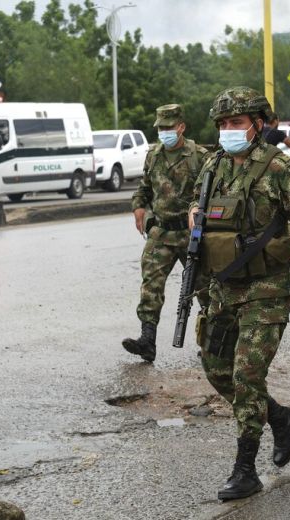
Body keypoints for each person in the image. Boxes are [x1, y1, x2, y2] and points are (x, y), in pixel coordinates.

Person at [189, 86, 290, 501]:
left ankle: (245, 470)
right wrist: (194, 213)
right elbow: (198, 203)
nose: (228, 130)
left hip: (267, 289)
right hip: (222, 287)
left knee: (246, 375)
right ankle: (280, 418)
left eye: (237, 122)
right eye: (223, 123)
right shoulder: (212, 165)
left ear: (257, 124)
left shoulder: (279, 168)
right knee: (217, 369)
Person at [121, 104, 210, 362]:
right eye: (160, 127)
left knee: (204, 288)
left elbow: (212, 192)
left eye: (169, 127)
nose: (164, 132)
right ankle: (147, 340)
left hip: (191, 234)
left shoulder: (199, 156)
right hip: (161, 233)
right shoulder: (153, 155)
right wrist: (138, 206)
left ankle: (212, 342)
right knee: (151, 285)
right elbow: (145, 187)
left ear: (181, 127)